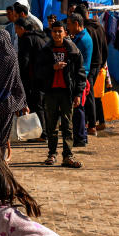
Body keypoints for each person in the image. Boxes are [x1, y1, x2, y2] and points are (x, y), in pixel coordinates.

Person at [36, 20, 86, 169]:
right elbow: (38, 72)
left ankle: (68, 156)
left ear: (65, 33)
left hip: (67, 93)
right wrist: (53, 67)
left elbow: (80, 74)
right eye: (54, 31)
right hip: (51, 92)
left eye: (60, 31)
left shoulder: (73, 51)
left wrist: (78, 93)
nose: (57, 34)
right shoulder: (45, 50)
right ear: (51, 33)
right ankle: (52, 154)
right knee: (51, 125)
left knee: (67, 125)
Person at [67, 12, 94, 146]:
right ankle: (80, 136)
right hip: (82, 74)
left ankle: (80, 137)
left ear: (76, 24)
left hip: (80, 75)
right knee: (79, 107)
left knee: (78, 107)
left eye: (69, 24)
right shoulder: (81, 36)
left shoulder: (82, 39)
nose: (68, 27)